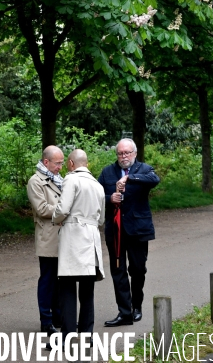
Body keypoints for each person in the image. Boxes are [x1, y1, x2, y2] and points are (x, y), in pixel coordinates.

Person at [98, 138, 160, 327]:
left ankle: (136, 306)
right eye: (120, 153)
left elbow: (154, 180)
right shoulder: (107, 172)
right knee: (118, 271)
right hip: (115, 230)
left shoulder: (143, 169)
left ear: (134, 153)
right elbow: (96, 195)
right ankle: (124, 313)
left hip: (138, 229)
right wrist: (110, 198)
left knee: (138, 270)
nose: (123, 156)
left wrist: (129, 178)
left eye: (127, 153)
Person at [52, 149, 106, 343]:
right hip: (91, 239)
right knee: (87, 290)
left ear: (71, 163)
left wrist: (55, 219)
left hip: (74, 238)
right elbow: (101, 220)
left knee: (66, 288)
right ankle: (86, 334)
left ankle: (67, 335)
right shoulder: (98, 185)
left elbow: (63, 208)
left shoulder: (71, 180)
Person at [27, 145, 64, 335]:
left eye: (62, 163)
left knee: (60, 281)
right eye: (58, 163)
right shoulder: (35, 182)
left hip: (62, 237)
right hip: (48, 238)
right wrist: (64, 207)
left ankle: (58, 317)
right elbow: (42, 209)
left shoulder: (58, 179)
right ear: (46, 162)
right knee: (48, 280)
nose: (60, 167)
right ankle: (46, 321)